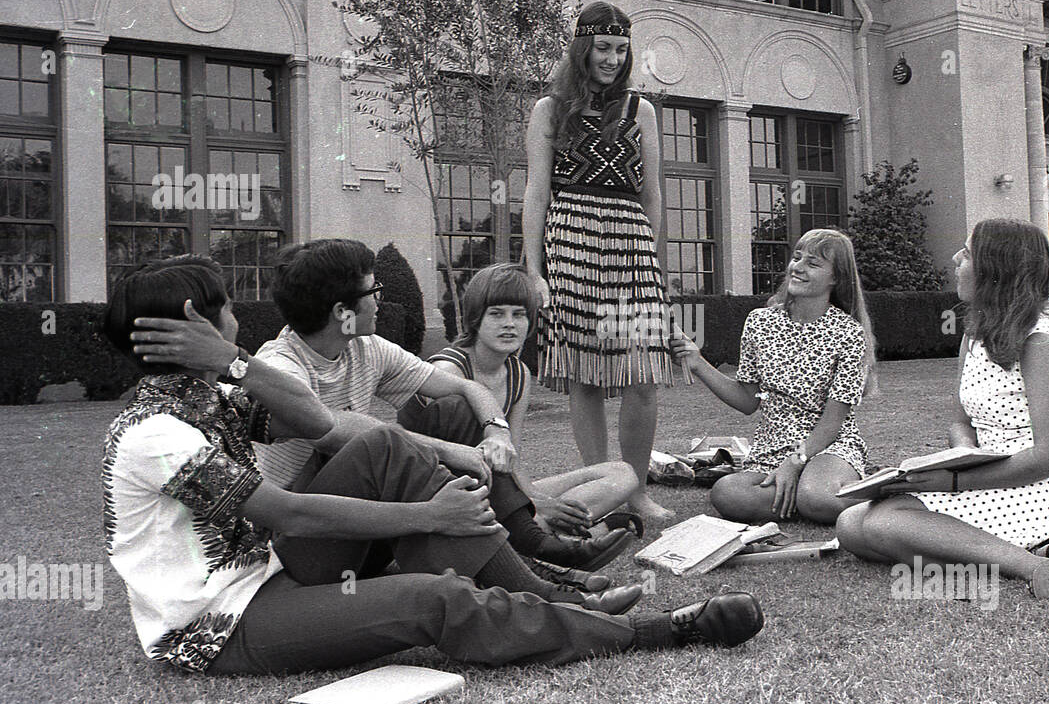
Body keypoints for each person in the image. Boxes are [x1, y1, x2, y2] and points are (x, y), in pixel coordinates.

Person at [108, 256, 763, 676]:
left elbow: (312, 422)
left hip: (279, 567)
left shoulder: (216, 391)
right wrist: (431, 512)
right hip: (220, 623)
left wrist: (231, 358)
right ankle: (646, 632)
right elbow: (287, 508)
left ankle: (546, 589)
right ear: (196, 318)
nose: (234, 316)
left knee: (385, 447)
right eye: (222, 307)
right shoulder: (152, 433)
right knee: (437, 601)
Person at [251, 239, 630, 579]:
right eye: (374, 290)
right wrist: (453, 450)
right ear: (341, 311)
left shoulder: (364, 348)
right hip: (306, 541)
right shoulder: (281, 369)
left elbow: (465, 387)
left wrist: (496, 428)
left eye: (519, 314)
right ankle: (531, 558)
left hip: (372, 523)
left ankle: (529, 547)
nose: (380, 299)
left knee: (457, 408)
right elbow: (338, 430)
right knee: (384, 443)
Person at [835, 218, 1049, 599]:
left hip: (1035, 487)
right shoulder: (974, 333)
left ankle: (1041, 568)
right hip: (982, 474)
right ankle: (1036, 552)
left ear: (994, 272)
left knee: (883, 524)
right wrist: (958, 459)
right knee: (851, 524)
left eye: (967, 253)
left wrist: (954, 482)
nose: (955, 258)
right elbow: (960, 421)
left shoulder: (1038, 344)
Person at [522, 1, 677, 529]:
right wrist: (535, 269)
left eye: (620, 48)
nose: (612, 58)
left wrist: (652, 263)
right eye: (602, 48)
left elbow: (653, 194)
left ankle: (634, 490)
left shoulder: (642, 112)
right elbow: (535, 194)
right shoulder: (550, 109)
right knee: (584, 375)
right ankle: (602, 489)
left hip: (631, 245)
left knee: (643, 374)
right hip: (570, 243)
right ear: (582, 50)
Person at [398, 263, 642, 576]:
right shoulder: (449, 371)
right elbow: (445, 465)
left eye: (519, 314)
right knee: (527, 509)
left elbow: (511, 456)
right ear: (475, 318)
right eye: (496, 314)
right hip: (445, 492)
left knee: (623, 473)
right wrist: (529, 506)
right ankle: (558, 532)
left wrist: (534, 500)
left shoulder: (518, 373)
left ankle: (549, 528)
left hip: (496, 489)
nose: (509, 324)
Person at [670, 229, 878, 525]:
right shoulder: (759, 322)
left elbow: (833, 422)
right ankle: (811, 497)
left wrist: (795, 464)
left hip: (829, 446)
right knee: (726, 493)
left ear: (836, 279)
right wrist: (696, 362)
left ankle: (833, 491)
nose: (799, 267)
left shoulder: (849, 333)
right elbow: (747, 400)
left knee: (817, 497)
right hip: (771, 447)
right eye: (797, 258)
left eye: (813, 264)